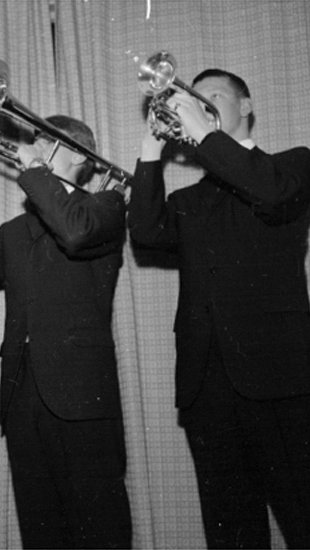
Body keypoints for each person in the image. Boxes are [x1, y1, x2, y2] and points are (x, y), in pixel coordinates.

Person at [128, 68, 310, 548]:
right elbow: (146, 233)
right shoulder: (189, 198)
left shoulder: (293, 164)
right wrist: (150, 150)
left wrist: (204, 132)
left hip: (279, 377)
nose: (200, 104)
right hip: (206, 384)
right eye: (194, 98)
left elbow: (269, 192)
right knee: (231, 530)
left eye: (211, 96)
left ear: (245, 106)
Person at [0, 115, 132, 549]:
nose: (34, 147)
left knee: (101, 527)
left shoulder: (105, 206)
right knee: (40, 528)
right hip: (22, 396)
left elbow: (74, 231)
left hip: (82, 395)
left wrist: (33, 169)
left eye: (48, 142)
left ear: (79, 157)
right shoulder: (16, 231)